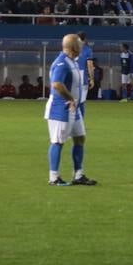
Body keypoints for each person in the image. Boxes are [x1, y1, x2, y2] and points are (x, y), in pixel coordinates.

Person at [45, 33, 96, 186]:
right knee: (58, 141)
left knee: (80, 138)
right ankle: (54, 177)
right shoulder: (62, 63)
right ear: (73, 47)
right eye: (80, 44)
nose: (82, 47)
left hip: (74, 108)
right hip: (61, 109)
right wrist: (70, 99)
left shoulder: (72, 61)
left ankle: (78, 175)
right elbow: (57, 84)